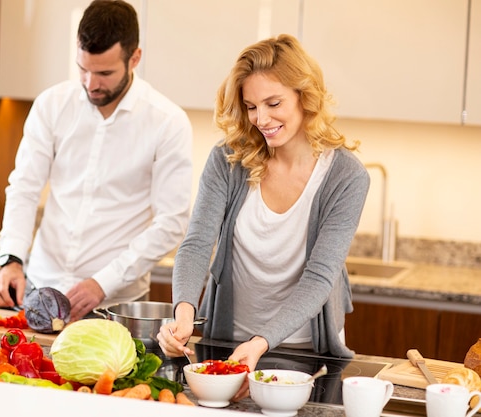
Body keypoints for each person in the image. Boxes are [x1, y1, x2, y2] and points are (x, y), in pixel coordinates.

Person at [157, 34, 370, 399]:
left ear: (306, 96)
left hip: (304, 349)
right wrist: (183, 313)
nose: (261, 119)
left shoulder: (347, 177)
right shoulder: (229, 160)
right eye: (251, 106)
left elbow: (319, 278)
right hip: (226, 341)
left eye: (274, 103)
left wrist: (261, 342)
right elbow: (196, 244)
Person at [0, 0, 193, 322]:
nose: (91, 84)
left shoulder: (167, 122)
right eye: (83, 69)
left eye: (105, 73)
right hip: (41, 288)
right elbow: (24, 187)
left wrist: (103, 281)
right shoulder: (51, 105)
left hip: (114, 303)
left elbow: (172, 222)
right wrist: (11, 258)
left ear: (135, 57)